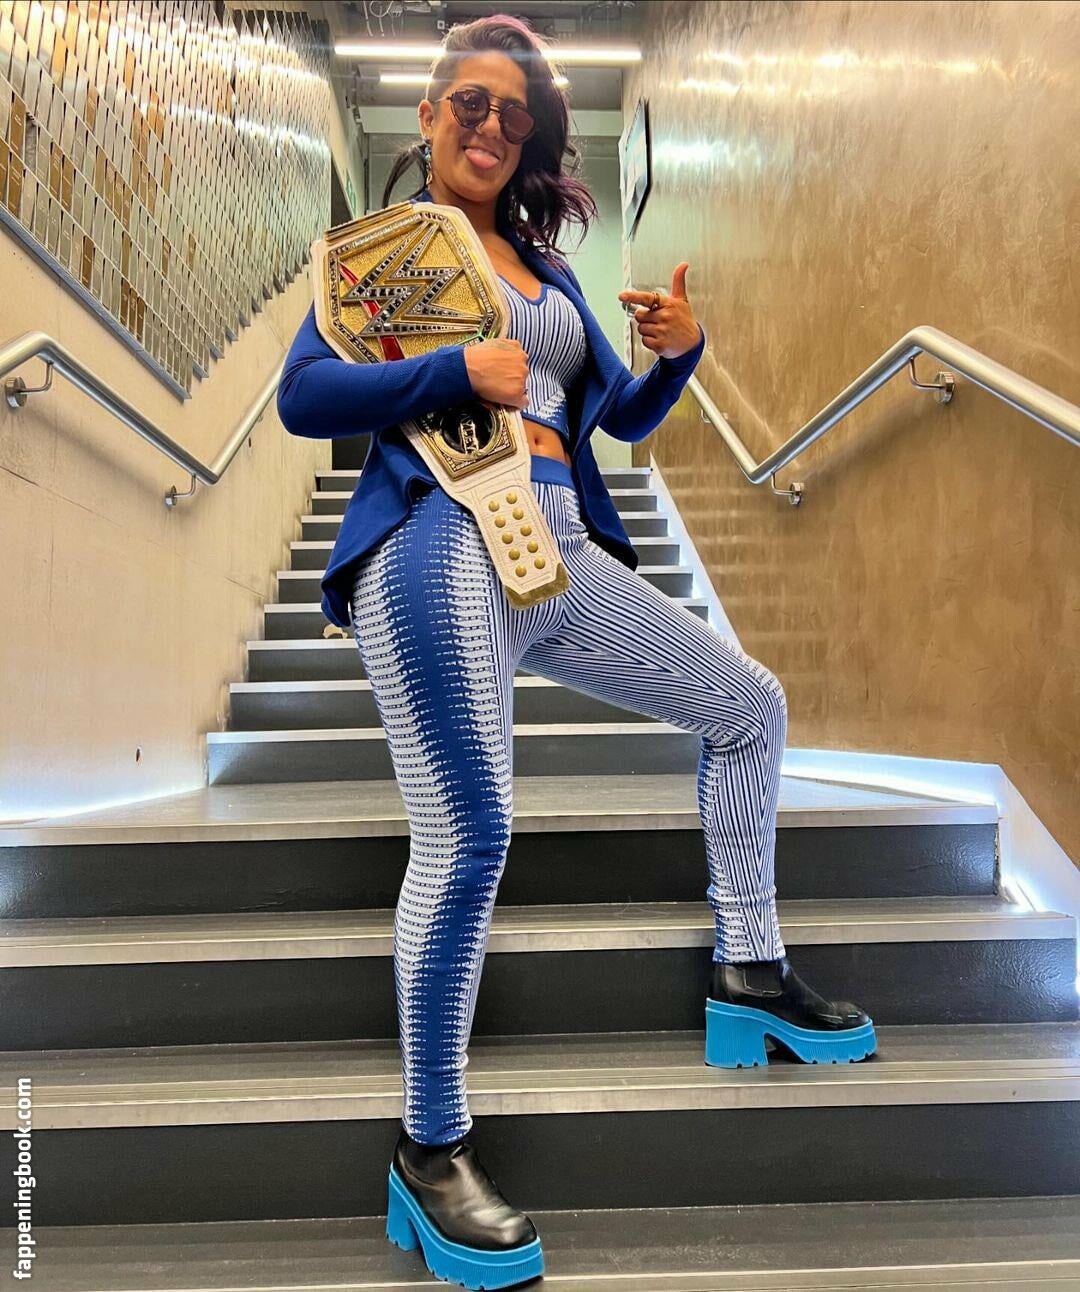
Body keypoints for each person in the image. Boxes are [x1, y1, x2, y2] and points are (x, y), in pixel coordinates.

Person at [277, 14, 877, 1290]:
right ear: (427, 115)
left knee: (749, 704)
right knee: (470, 830)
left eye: (517, 115)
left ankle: (748, 966)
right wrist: (451, 366)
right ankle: (430, 1145)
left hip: (557, 548)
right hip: (439, 533)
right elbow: (303, 397)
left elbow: (616, 413)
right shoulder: (383, 253)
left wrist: (681, 355)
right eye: (471, 104)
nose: (494, 128)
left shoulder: (546, 271)